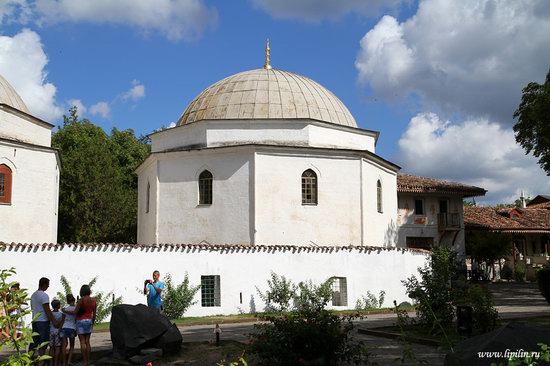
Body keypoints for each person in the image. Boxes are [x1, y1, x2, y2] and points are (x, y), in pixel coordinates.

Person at [64, 285, 96, 366]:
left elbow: (75, 312)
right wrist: (92, 322)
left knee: (82, 342)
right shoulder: (94, 300)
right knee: (88, 342)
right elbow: (94, 314)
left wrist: (65, 311)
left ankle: (84, 362)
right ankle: (89, 360)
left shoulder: (81, 300)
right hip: (89, 320)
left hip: (80, 321)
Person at [30, 277, 54, 362]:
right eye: (47, 285)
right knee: (43, 343)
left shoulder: (33, 295)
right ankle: (41, 361)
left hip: (35, 320)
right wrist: (53, 320)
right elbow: (47, 309)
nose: (48, 287)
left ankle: (30, 360)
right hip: (43, 321)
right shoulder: (44, 295)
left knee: (35, 342)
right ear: (44, 285)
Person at [60, 294, 77, 366]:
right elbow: (76, 320)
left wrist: (60, 328)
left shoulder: (65, 309)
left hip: (64, 327)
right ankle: (69, 361)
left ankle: (64, 362)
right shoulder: (76, 309)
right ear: (74, 300)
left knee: (64, 345)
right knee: (72, 346)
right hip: (72, 328)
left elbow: (62, 320)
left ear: (67, 301)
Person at [49, 299, 65, 366]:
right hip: (57, 331)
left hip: (51, 331)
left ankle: (51, 363)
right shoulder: (61, 314)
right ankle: (56, 363)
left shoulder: (50, 314)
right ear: (58, 306)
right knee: (57, 348)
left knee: (51, 347)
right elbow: (61, 323)